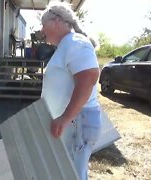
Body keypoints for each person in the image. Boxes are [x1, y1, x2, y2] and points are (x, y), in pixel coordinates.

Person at [40, 2, 101, 180]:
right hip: (74, 122)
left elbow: (88, 77)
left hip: (76, 122)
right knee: (68, 173)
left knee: (71, 175)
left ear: (57, 21)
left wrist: (66, 117)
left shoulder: (75, 42)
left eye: (44, 24)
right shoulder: (68, 45)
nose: (42, 30)